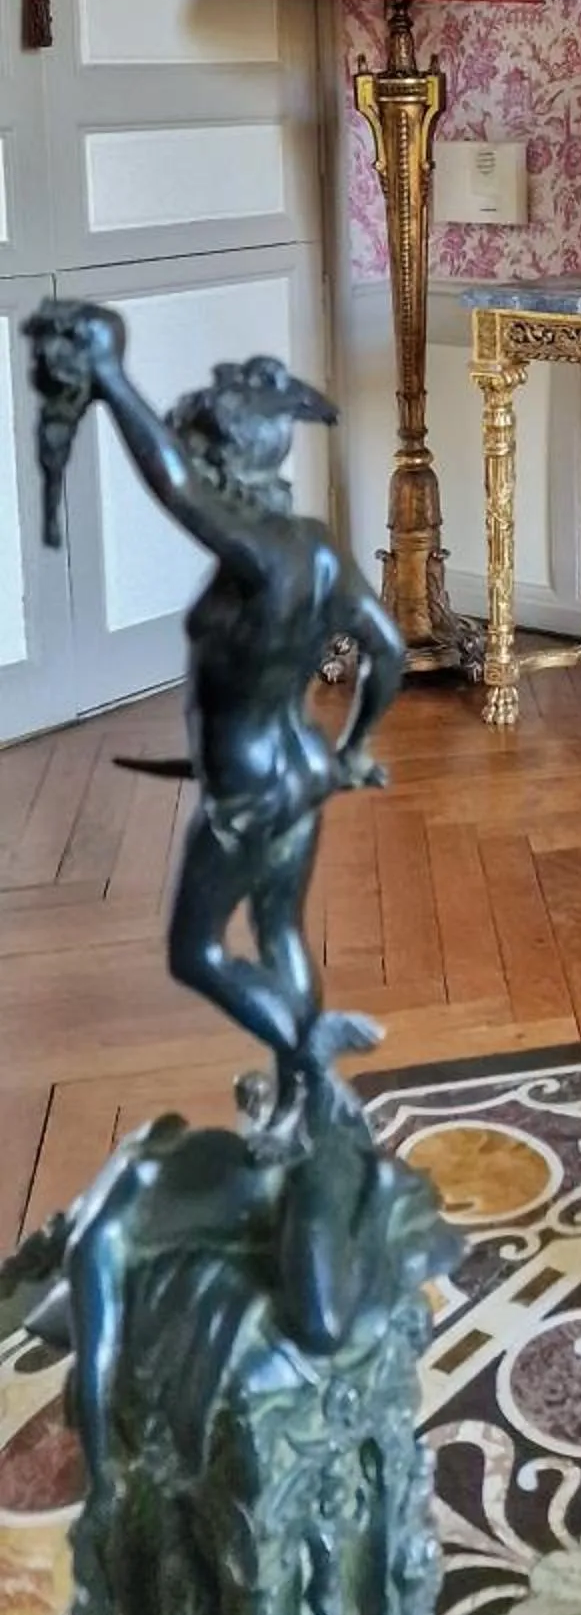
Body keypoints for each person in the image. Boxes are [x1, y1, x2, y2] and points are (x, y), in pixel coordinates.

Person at [25, 302, 403, 1150]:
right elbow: (389, 650)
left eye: (200, 450)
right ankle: (302, 1102)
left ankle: (306, 1060)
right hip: (304, 766)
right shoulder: (316, 549)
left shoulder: (262, 556)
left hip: (246, 791)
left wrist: (110, 377)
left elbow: (174, 487)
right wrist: (354, 749)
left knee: (194, 952)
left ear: (225, 462)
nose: (192, 462)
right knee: (277, 931)